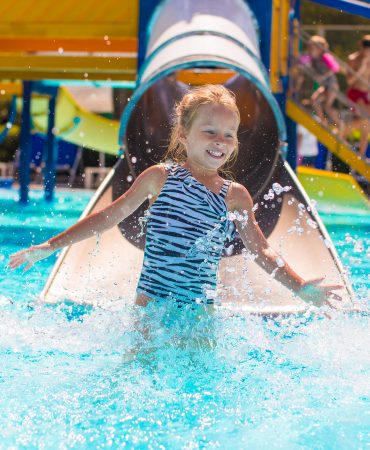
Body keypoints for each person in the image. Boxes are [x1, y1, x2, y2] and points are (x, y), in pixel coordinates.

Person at [9, 85, 341, 309]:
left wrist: (299, 287)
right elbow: (108, 217)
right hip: (150, 312)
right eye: (209, 131)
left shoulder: (234, 196)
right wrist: (49, 247)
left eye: (229, 135)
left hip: (199, 319)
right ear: (183, 134)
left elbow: (261, 249)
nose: (220, 141)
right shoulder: (160, 178)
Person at [298, 36, 342, 130]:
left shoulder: (325, 57)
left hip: (332, 86)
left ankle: (340, 124)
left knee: (326, 106)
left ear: (319, 49)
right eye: (309, 47)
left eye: (312, 47)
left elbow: (335, 68)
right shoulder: (312, 58)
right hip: (325, 86)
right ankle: (323, 121)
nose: (309, 49)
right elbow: (301, 62)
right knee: (314, 101)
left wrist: (323, 76)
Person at [346, 35, 370, 159]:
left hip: (365, 94)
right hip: (354, 93)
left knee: (367, 124)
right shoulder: (353, 59)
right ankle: (342, 132)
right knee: (367, 119)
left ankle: (361, 154)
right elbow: (349, 81)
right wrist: (362, 68)